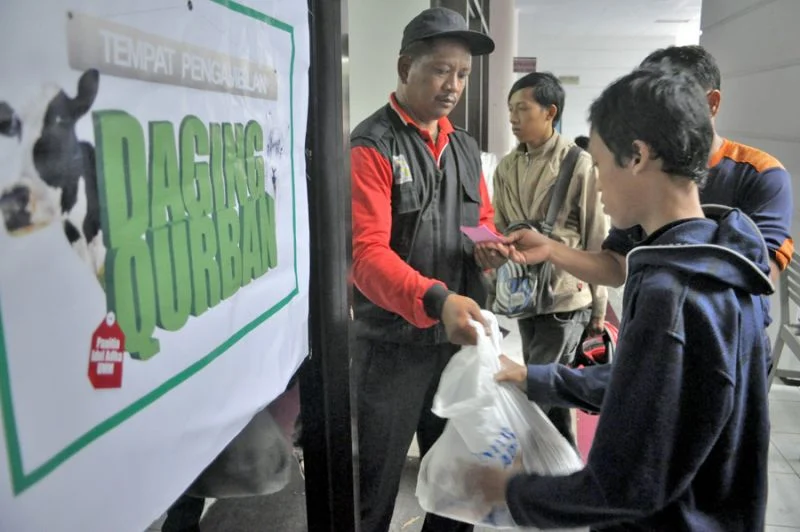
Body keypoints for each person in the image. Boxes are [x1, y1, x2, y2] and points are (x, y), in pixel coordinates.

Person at [472, 66, 773, 531]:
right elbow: (650, 386)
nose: (596, 183)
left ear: (637, 156)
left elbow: (623, 487)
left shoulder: (671, 295)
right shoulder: (721, 260)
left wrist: (508, 491)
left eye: (599, 163)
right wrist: (535, 377)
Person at [349, 7, 495, 532]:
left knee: (456, 488)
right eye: (439, 70)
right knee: (373, 490)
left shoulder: (464, 146)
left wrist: (490, 247)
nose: (452, 85)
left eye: (462, 74)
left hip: (454, 347)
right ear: (405, 66)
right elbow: (366, 255)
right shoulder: (372, 145)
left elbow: (480, 218)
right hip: (390, 348)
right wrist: (436, 300)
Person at [494, 45, 793, 287]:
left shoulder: (760, 174)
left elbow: (756, 281)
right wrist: (550, 249)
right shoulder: (641, 178)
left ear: (711, 103)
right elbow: (616, 265)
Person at [474, 72, 608, 447]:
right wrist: (491, 249)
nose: (513, 118)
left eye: (522, 109)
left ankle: (529, 473)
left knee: (538, 387)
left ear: (550, 112)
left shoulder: (577, 164)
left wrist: (598, 308)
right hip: (524, 295)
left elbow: (597, 238)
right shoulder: (506, 167)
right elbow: (499, 224)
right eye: (510, 110)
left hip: (566, 295)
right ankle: (562, 469)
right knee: (551, 389)